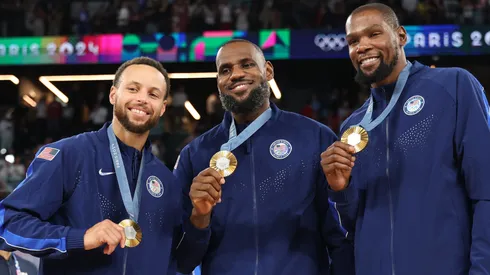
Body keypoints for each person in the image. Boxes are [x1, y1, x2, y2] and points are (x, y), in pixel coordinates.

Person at [322, 3, 490, 275]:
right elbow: (353, 224)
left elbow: (486, 191)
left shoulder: (453, 86)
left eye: (373, 34)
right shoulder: (353, 127)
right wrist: (340, 190)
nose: (361, 46)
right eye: (353, 41)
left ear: (400, 36)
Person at [0, 57, 210, 275]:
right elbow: (8, 224)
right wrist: (79, 238)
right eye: (133, 89)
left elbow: (182, 263)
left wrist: (201, 218)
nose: (142, 99)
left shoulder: (166, 181)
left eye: (153, 94)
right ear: (113, 94)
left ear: (163, 108)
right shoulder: (70, 155)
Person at [173, 39, 355, 275]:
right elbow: (182, 261)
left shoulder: (315, 138)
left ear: (267, 71)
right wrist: (199, 217)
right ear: (218, 82)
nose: (236, 74)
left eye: (247, 65)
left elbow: (340, 237)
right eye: (225, 70)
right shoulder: (195, 155)